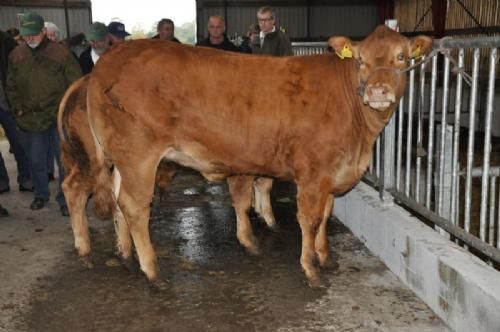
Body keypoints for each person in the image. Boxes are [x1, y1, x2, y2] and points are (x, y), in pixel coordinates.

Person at [6, 12, 82, 216]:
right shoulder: (16, 54)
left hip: (58, 117)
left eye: (34, 34)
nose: (29, 38)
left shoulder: (61, 53)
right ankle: (40, 194)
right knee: (36, 159)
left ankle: (65, 198)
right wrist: (18, 109)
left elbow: (76, 84)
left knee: (64, 160)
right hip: (31, 118)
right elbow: (11, 85)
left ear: (43, 31)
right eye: (25, 35)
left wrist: (69, 112)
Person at [0, 29, 32, 194]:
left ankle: (26, 178)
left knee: (19, 141)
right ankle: (1, 182)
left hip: (8, 101)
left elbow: (19, 69)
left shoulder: (7, 41)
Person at [44, 21, 62, 181]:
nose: (52, 38)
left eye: (54, 35)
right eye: (49, 35)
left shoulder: (65, 54)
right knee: (44, 147)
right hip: (41, 110)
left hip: (60, 107)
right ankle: (48, 172)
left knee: (60, 146)